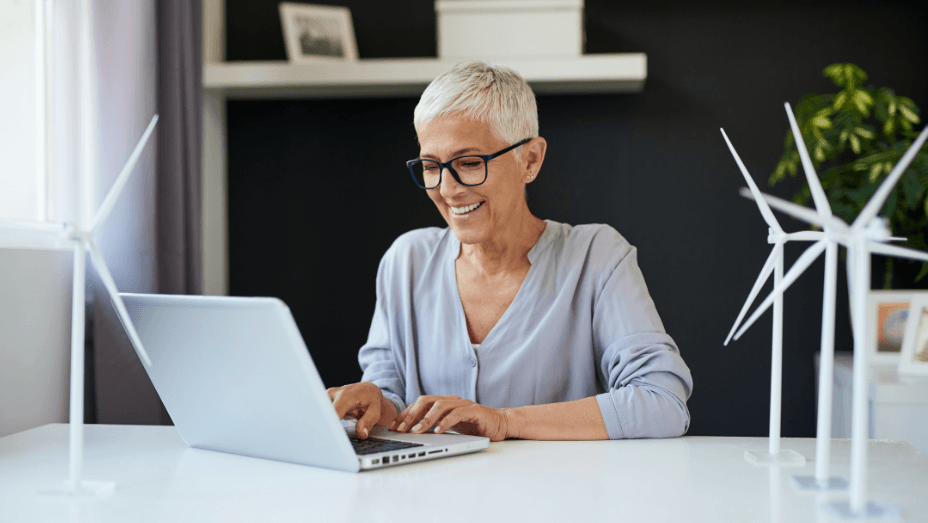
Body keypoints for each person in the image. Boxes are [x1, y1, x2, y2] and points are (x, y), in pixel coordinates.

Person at [327, 61, 692, 441]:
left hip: (563, 499)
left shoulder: (596, 257)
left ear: (529, 160)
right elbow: (392, 404)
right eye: (431, 166)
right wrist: (373, 402)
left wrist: (503, 421)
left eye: (468, 163)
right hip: (431, 500)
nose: (448, 190)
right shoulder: (406, 261)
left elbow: (662, 402)